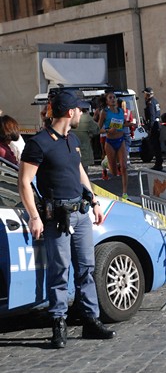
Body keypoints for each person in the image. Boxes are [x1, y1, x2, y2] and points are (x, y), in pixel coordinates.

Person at [18, 90, 116, 349]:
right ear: (70, 112)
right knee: (60, 272)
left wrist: (93, 200)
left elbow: (79, 171)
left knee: (86, 269)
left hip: (81, 213)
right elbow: (24, 182)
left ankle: (90, 321)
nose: (82, 113)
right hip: (57, 217)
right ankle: (58, 323)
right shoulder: (39, 143)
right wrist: (34, 216)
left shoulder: (71, 139)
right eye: (80, 109)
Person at [98, 91, 130, 199]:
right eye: (110, 98)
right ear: (107, 101)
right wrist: (108, 130)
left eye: (114, 97)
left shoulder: (121, 111)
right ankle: (105, 163)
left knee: (124, 167)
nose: (113, 99)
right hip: (110, 142)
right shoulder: (104, 112)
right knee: (114, 173)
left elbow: (123, 123)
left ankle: (125, 193)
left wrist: (130, 124)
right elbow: (98, 129)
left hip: (121, 140)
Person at [73, 107, 100, 175]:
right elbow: (96, 130)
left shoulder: (65, 118)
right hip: (84, 151)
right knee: (84, 174)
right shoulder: (87, 118)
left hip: (69, 151)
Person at [143, 86, 163, 171]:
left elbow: (152, 116)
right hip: (157, 125)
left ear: (147, 94)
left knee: (155, 145)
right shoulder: (155, 101)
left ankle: (158, 163)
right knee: (156, 145)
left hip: (154, 126)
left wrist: (150, 128)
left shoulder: (150, 103)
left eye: (145, 94)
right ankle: (159, 162)